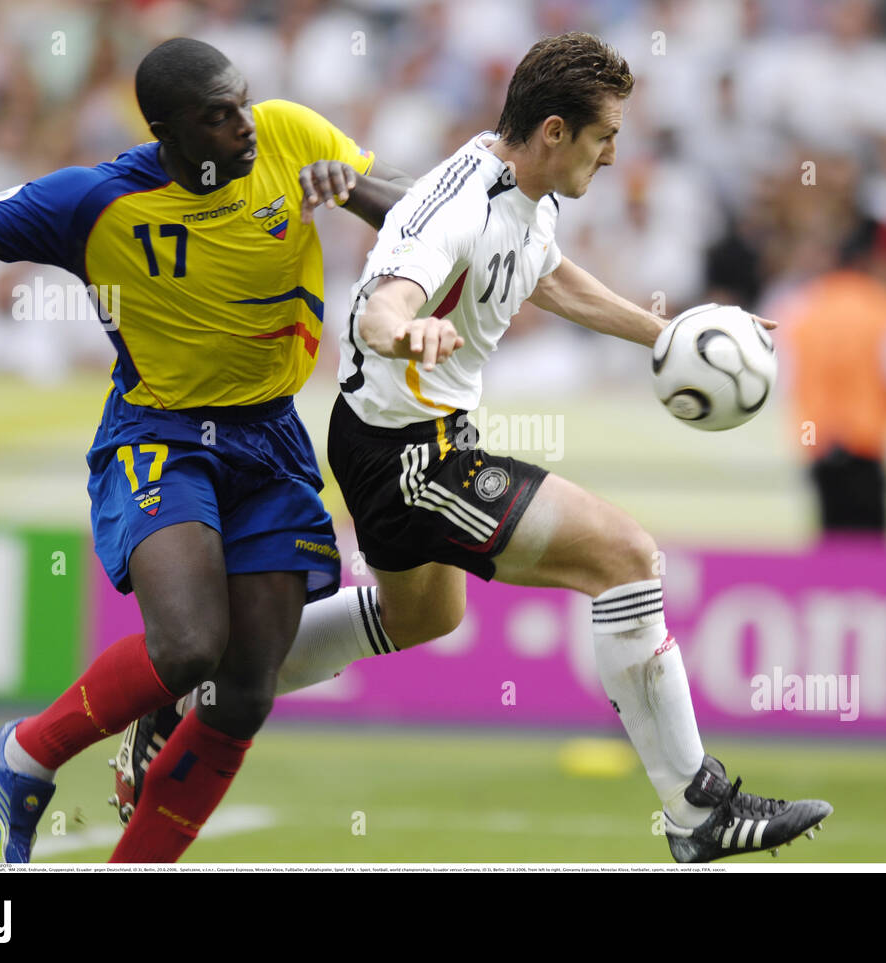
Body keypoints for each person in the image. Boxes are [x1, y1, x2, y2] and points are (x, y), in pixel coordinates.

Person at [124, 32, 832, 862]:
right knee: (626, 557)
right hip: (410, 456)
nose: (613, 155)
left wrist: (667, 332)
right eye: (605, 137)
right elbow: (381, 304)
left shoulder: (521, 191)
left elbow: (547, 272)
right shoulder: (455, 205)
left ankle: (202, 689)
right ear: (557, 131)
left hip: (403, 440)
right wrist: (407, 332)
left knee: (424, 613)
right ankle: (697, 806)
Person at [0, 36, 410, 863]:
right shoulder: (91, 202)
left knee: (241, 692)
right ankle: (26, 752)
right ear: (168, 130)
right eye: (217, 117)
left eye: (243, 102)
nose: (243, 126)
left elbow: (419, 209)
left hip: (271, 437)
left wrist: (356, 187)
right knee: (189, 646)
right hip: (163, 435)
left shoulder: (291, 134)